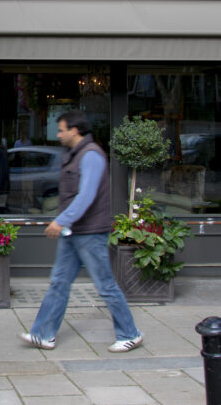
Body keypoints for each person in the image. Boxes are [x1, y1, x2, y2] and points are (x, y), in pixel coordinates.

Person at [20, 109, 144, 353]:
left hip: (90, 233)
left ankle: (131, 334)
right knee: (59, 283)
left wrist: (61, 220)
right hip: (74, 232)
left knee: (105, 285)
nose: (58, 135)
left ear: (74, 130)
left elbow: (86, 195)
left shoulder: (91, 155)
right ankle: (43, 334)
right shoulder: (76, 154)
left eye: (61, 129)